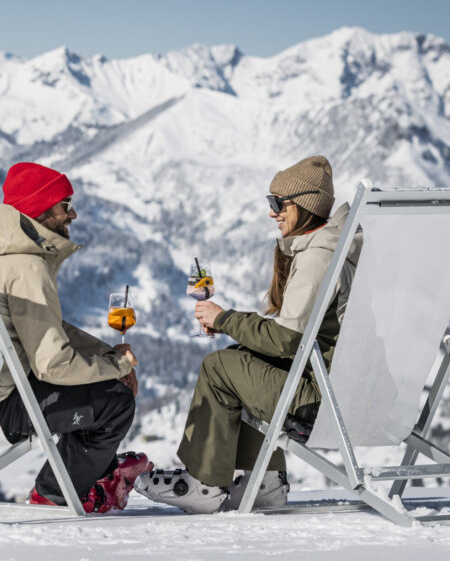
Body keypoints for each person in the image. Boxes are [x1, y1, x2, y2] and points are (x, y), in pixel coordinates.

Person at [135, 155, 361, 513]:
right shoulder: (341, 246)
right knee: (244, 357)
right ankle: (267, 481)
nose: (272, 212)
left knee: (220, 366)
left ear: (303, 204)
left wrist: (224, 319)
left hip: (323, 401)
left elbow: (287, 339)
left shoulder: (320, 255)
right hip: (349, 391)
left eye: (277, 203)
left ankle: (204, 485)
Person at [0, 161, 150, 513]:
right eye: (64, 204)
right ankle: (54, 494)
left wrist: (104, 355)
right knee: (115, 400)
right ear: (40, 209)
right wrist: (117, 366)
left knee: (91, 386)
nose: (71, 215)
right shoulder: (28, 268)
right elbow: (54, 366)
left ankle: (96, 473)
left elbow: (45, 326)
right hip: (4, 409)